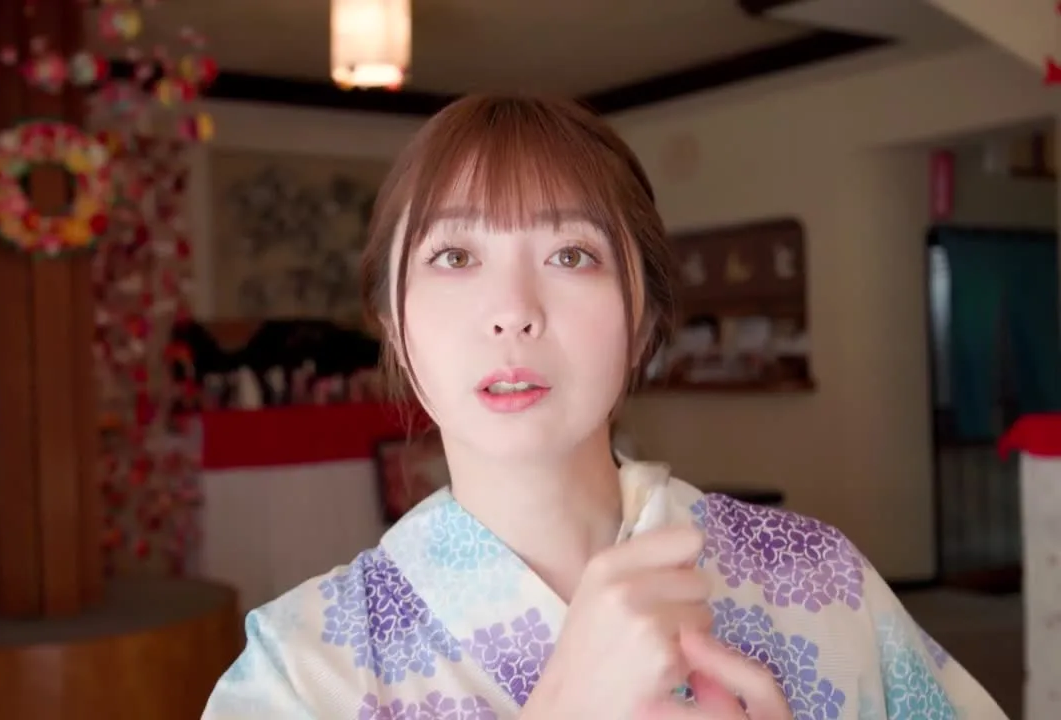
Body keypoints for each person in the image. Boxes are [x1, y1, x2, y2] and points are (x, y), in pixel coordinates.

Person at [201, 95, 1006, 719]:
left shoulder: (820, 579)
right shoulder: (299, 670)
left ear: (644, 320)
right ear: (394, 328)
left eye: (571, 253)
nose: (513, 311)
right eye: (454, 255)